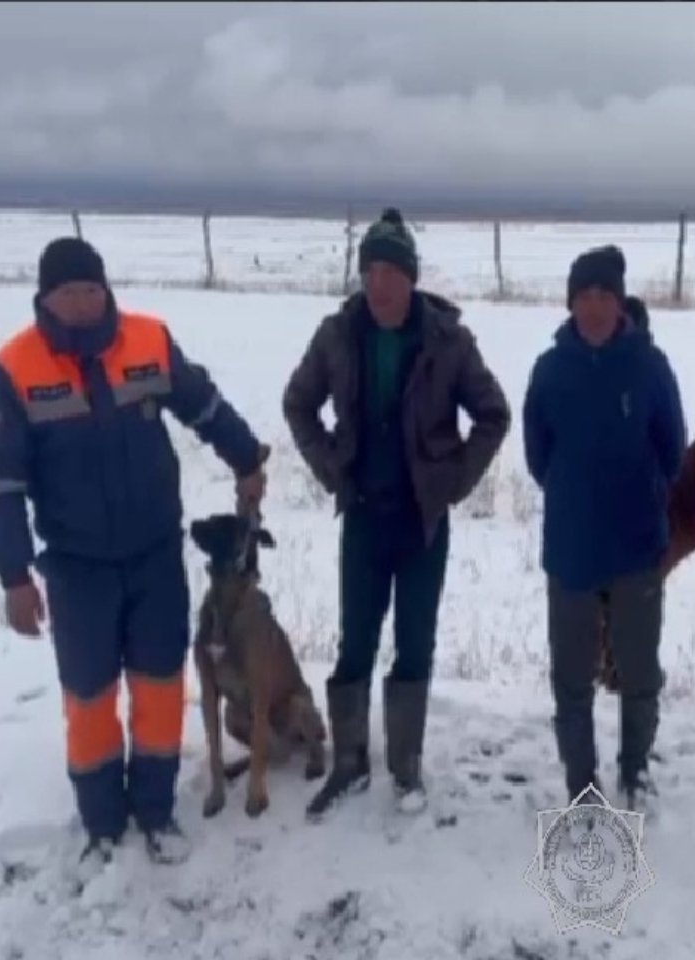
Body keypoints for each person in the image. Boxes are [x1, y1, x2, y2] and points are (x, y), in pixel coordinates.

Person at [0, 237, 268, 866]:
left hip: (155, 553)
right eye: (67, 292)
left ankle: (157, 813)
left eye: (91, 289)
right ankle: (104, 824)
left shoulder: (148, 342)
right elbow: (0, 481)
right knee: (89, 695)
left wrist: (247, 458)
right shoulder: (14, 370)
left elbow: (204, 406)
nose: (81, 303)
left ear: (106, 290)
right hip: (77, 568)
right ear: (45, 297)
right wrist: (13, 574)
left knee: (162, 685)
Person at [283, 208, 511, 819]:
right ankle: (350, 764)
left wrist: (454, 480)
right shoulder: (338, 335)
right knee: (355, 642)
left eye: (391, 270)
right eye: (370, 269)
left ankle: (405, 767)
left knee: (415, 643)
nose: (379, 283)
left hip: (421, 523)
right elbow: (298, 403)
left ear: (411, 278)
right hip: (362, 516)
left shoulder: (447, 341)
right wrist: (333, 467)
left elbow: (494, 413)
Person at [522, 245, 686, 811]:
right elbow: (538, 454)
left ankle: (636, 770)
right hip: (571, 549)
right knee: (572, 676)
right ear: (571, 304)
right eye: (584, 297)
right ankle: (582, 783)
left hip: (637, 546)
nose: (594, 308)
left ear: (620, 304)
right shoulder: (550, 370)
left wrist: (641, 498)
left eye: (604, 296)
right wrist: (574, 496)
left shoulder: (649, 366)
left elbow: (673, 449)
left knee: (639, 671)